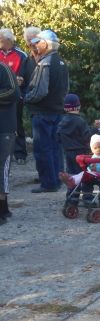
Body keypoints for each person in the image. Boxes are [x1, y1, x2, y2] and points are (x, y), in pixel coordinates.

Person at [24, 29, 69, 193]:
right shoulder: (61, 62)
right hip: (57, 111)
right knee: (55, 147)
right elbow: (66, 88)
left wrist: (25, 98)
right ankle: (58, 180)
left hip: (43, 112)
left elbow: (40, 91)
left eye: (38, 42)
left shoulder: (45, 63)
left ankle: (48, 183)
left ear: (46, 44)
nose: (35, 45)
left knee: (43, 148)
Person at [56, 93, 92, 205]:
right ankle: (87, 198)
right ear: (78, 106)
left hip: (69, 153)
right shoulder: (80, 121)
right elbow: (87, 137)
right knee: (85, 175)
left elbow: (57, 137)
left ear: (65, 108)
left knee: (72, 176)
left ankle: (72, 198)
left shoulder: (62, 122)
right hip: (82, 153)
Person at [0, 28, 27, 165]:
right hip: (2, 92)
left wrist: (20, 80)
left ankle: (20, 152)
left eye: (0, 39)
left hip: (15, 95)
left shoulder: (21, 55)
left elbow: (25, 75)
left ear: (8, 40)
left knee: (16, 124)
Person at [0, 61, 20, 224]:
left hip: (4, 127)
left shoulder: (3, 69)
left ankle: (2, 208)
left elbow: (14, 92)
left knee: (2, 167)